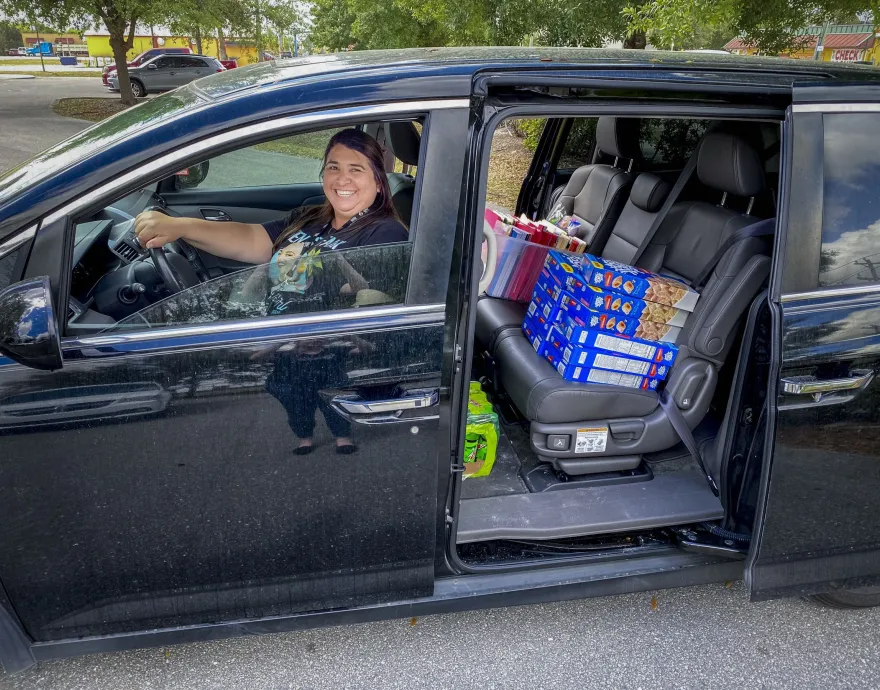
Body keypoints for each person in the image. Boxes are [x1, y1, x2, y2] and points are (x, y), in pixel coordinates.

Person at [135, 128, 409, 455]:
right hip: (279, 340)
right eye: (333, 167)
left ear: (379, 181)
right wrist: (179, 226)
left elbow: (370, 299)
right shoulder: (311, 217)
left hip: (323, 353)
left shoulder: (384, 232)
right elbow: (252, 240)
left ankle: (333, 439)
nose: (341, 179)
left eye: (356, 169)